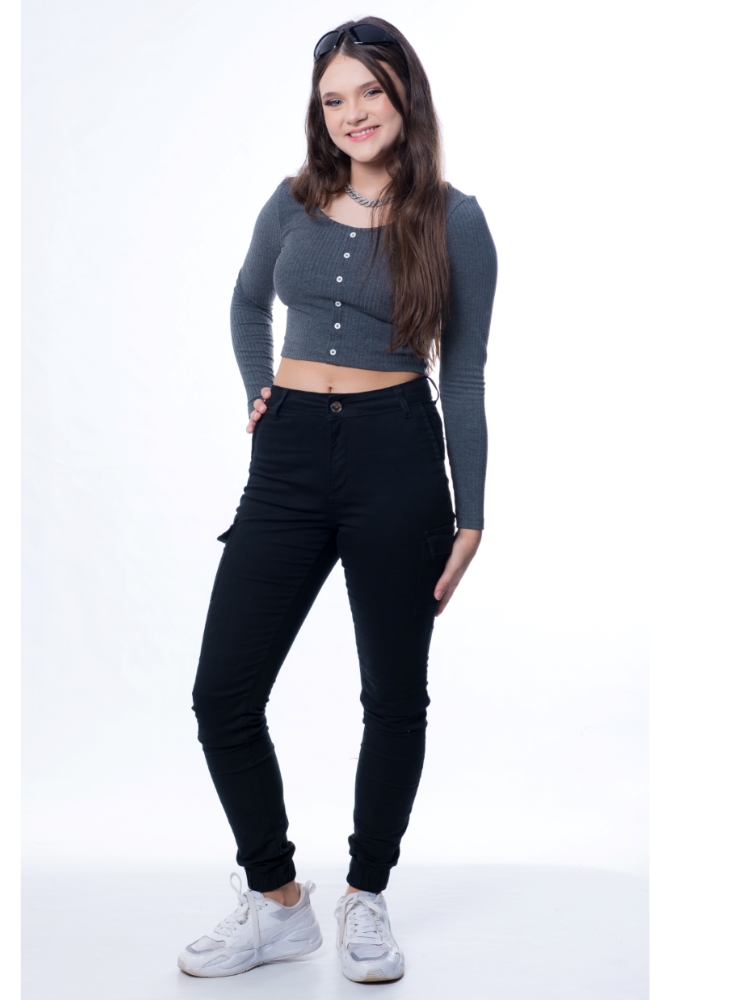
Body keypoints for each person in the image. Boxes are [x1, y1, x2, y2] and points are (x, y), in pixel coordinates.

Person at [177, 17, 497, 983]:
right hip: (286, 462)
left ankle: (367, 895)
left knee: (393, 696)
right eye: (333, 99)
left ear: (404, 96)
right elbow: (247, 303)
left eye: (369, 91)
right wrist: (257, 389)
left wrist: (472, 514)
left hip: (398, 457)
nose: (352, 113)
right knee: (223, 693)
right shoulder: (290, 204)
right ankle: (278, 903)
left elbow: (465, 373)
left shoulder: (456, 220)